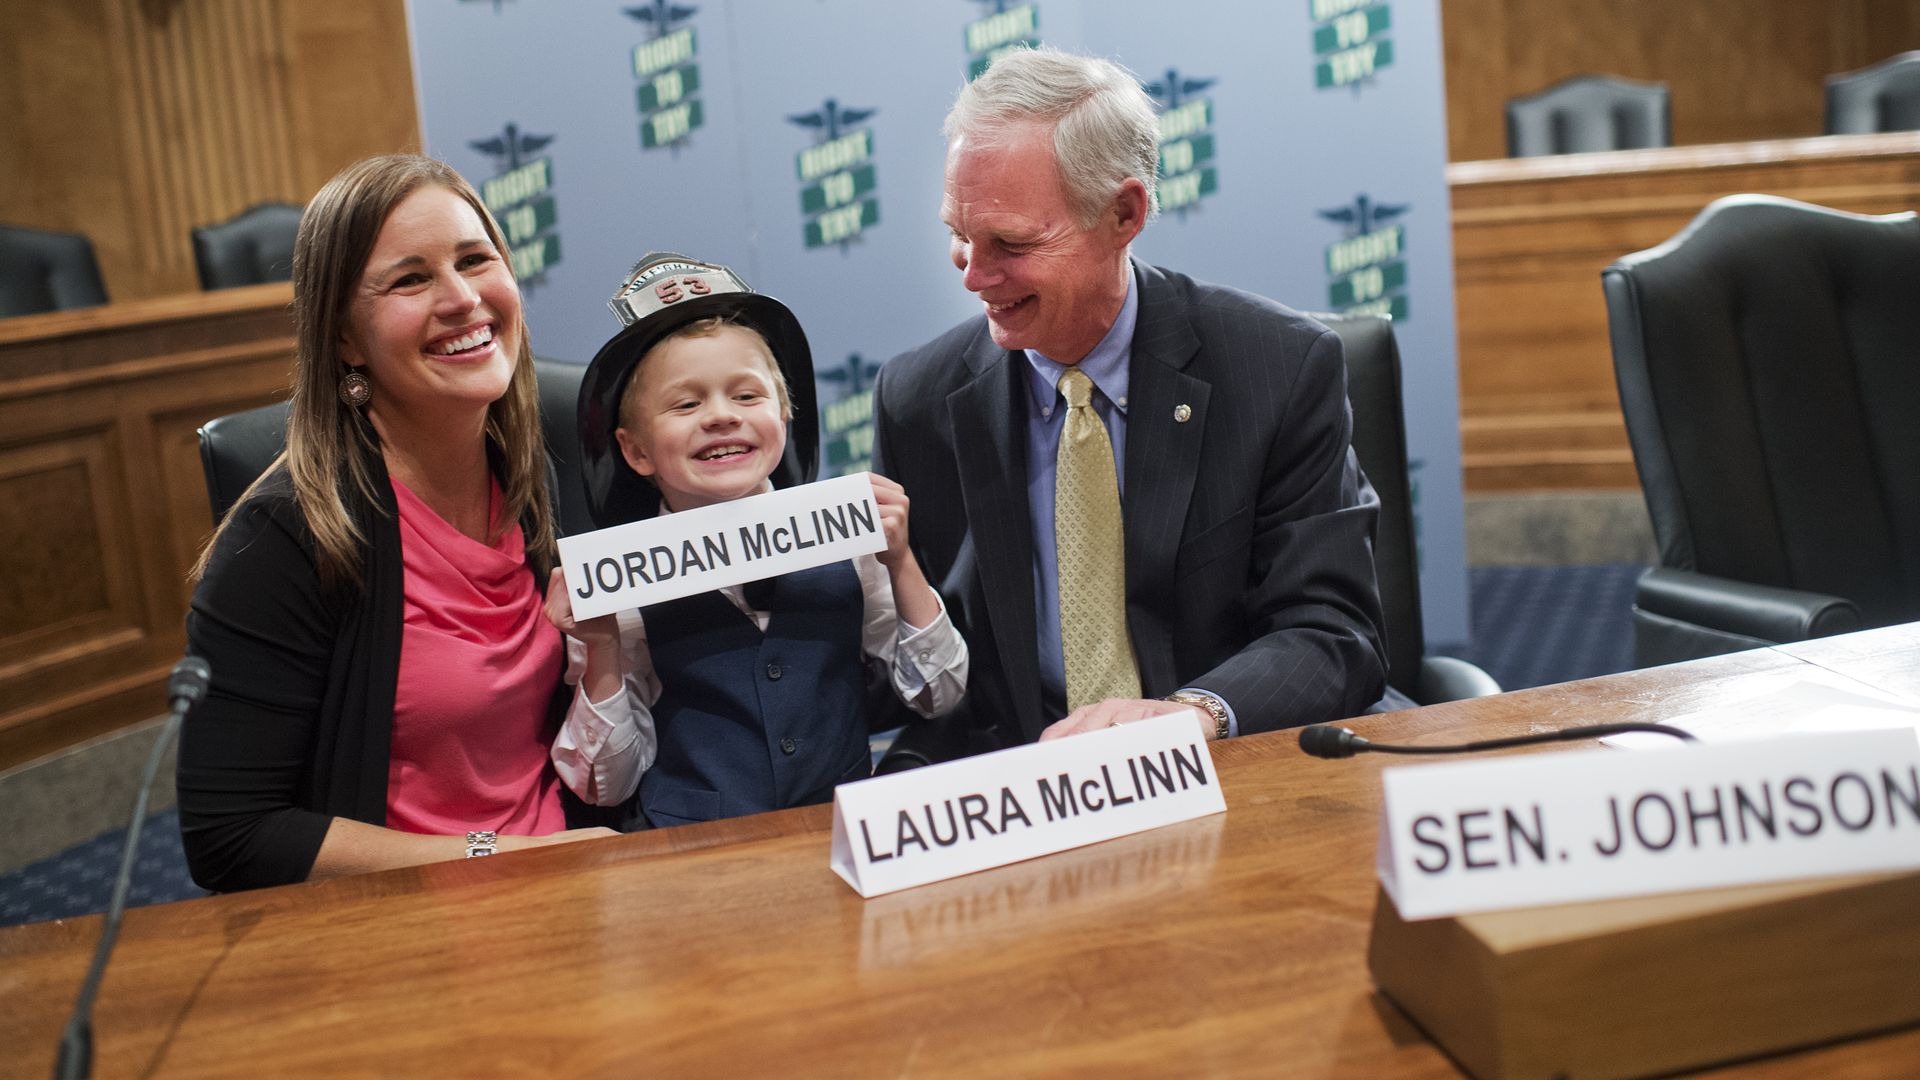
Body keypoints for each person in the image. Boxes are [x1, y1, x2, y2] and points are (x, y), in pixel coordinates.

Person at [872, 47, 1388, 758]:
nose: (974, 277)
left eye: (1011, 243)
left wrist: (1191, 715)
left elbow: (1335, 631)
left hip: (1222, 758)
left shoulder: (1278, 368)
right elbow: (913, 664)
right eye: (959, 237)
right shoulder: (918, 398)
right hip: (1017, 774)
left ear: (1123, 213)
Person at [180, 154, 615, 892]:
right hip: (407, 924)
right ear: (345, 339)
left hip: (571, 879)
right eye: (411, 279)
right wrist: (497, 856)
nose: (463, 299)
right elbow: (231, 835)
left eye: (476, 260)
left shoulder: (544, 469)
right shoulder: (283, 538)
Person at [549, 253, 968, 827]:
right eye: (686, 403)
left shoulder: (848, 540)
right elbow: (605, 785)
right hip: (694, 865)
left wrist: (900, 563)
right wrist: (600, 647)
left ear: (785, 414)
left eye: (747, 396)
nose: (721, 416)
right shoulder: (618, 582)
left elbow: (938, 694)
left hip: (841, 841)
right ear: (636, 450)